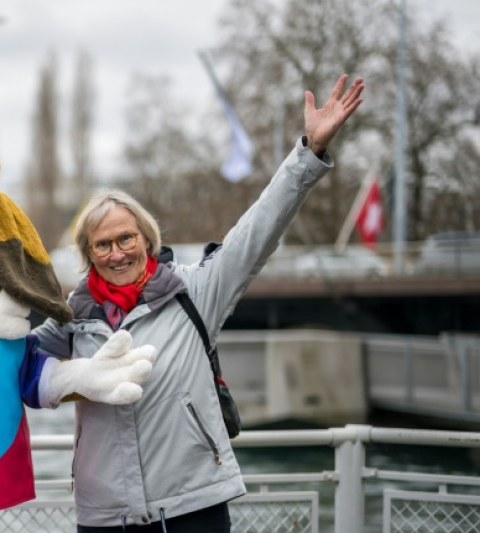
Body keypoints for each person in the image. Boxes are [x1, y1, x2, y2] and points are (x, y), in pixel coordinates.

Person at [32, 74, 364, 532]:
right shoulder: (73, 316)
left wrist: (307, 152)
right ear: (88, 255)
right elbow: (18, 361)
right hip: (106, 514)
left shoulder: (194, 291)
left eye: (125, 238)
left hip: (193, 505)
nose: (117, 253)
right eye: (102, 245)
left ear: (146, 239)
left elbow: (257, 232)